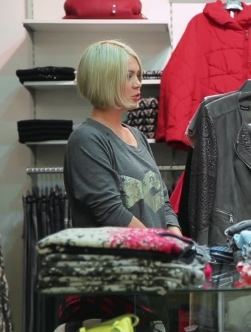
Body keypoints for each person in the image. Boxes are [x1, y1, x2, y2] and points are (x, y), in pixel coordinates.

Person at [59, 40, 181, 331]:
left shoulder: (137, 136)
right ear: (104, 78)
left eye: (138, 75)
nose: (139, 83)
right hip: (109, 292)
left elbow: (161, 200)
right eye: (129, 76)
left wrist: (176, 239)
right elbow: (111, 213)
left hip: (147, 283)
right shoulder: (87, 139)